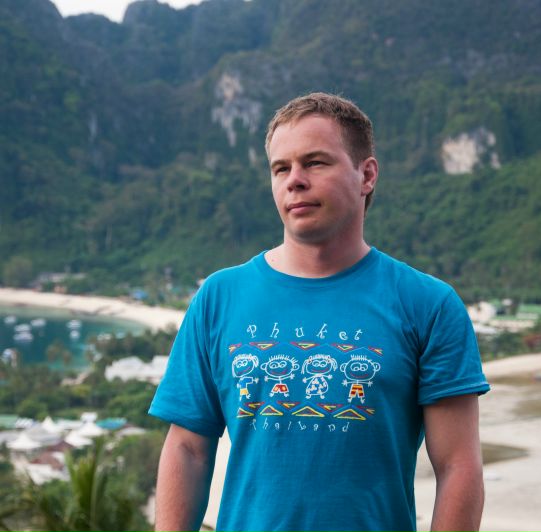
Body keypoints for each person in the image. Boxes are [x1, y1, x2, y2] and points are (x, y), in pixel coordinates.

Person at [149, 92, 490, 532]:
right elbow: (187, 449)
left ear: (367, 175)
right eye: (280, 168)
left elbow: (458, 466)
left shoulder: (428, 305)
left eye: (314, 163)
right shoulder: (219, 297)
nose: (294, 180)